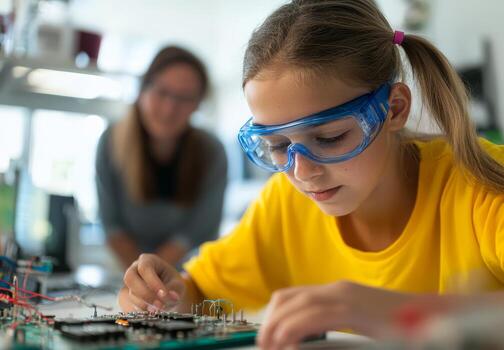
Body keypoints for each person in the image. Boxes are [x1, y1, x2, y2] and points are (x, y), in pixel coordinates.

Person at [118, 1, 504, 348]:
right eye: (279, 146)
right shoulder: (285, 204)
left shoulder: (480, 184)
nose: (302, 171)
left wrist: (382, 310)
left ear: (394, 109)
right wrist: (161, 293)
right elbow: (197, 294)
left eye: (329, 136)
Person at [95, 46, 227, 270]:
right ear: (143, 90)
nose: (169, 109)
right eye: (162, 92)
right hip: (130, 274)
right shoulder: (110, 142)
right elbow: (112, 226)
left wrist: (153, 276)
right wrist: (141, 275)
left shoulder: (211, 151)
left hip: (189, 278)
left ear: (197, 105)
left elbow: (198, 230)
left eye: (185, 98)